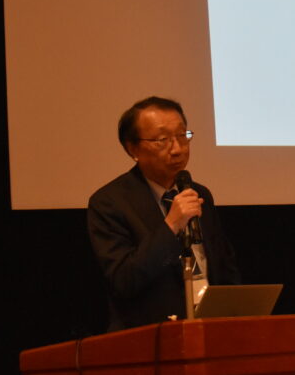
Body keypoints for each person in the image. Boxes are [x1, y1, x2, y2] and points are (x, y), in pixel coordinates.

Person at [87, 96, 240, 331]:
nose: (177, 149)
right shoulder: (109, 202)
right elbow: (123, 280)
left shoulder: (200, 194)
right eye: (162, 140)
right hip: (149, 335)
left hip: (208, 329)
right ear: (132, 149)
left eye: (182, 135)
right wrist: (171, 225)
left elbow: (223, 265)